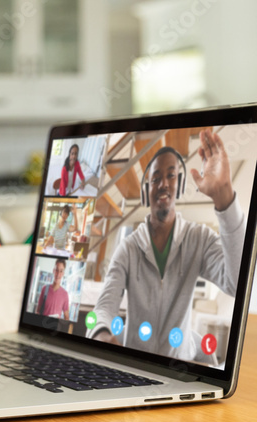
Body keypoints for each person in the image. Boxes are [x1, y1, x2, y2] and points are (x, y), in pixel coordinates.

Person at [90, 132, 245, 360]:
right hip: (135, 367)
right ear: (147, 190)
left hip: (178, 370)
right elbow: (105, 306)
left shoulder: (199, 238)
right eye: (155, 179)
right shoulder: (128, 248)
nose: (163, 184)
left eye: (171, 176)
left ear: (180, 184)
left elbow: (236, 283)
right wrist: (101, 333)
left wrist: (225, 199)